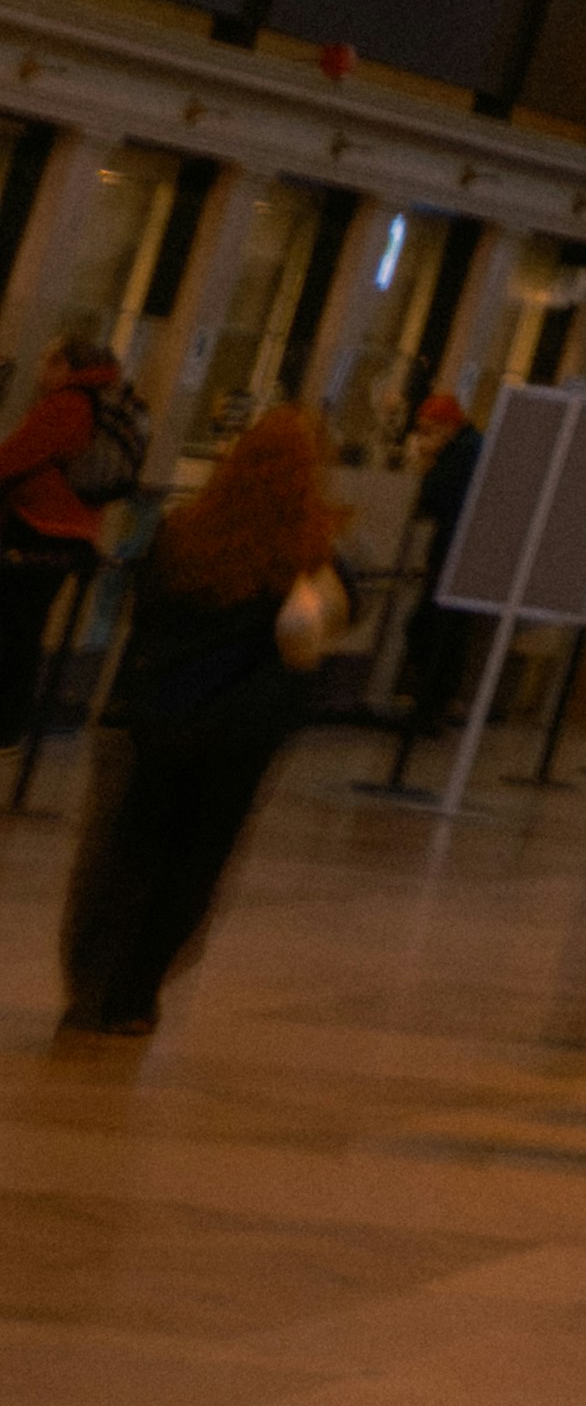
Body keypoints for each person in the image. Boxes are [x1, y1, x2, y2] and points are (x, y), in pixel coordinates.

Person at [51, 403, 351, 1040]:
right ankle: (137, 993)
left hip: (158, 723)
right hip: (238, 740)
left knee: (126, 853)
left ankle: (92, 988)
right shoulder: (308, 556)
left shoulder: (181, 533)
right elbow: (340, 617)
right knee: (195, 862)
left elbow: (146, 615)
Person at [0, 329, 141, 752]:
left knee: (13, 631)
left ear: (65, 366)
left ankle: (6, 726)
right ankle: (10, 727)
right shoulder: (97, 402)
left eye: (49, 362)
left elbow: (14, 458)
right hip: (75, 537)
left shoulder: (66, 404)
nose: (41, 371)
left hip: (37, 529)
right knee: (23, 630)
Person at [392, 394, 491, 747]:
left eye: (427, 430)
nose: (422, 438)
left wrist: (427, 463)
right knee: (446, 633)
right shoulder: (475, 447)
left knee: (429, 629)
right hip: (470, 556)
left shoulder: (459, 454)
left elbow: (433, 498)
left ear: (447, 426)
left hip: (453, 555)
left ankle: (429, 706)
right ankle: (435, 704)